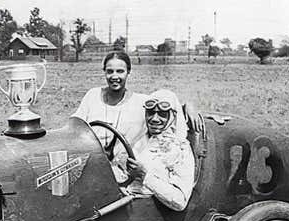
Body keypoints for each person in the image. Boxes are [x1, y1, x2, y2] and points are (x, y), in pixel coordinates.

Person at [71, 51, 203, 183]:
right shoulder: (92, 95)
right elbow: (74, 126)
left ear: (128, 72)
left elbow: (168, 106)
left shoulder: (140, 102)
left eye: (120, 71)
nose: (114, 76)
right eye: (110, 71)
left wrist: (189, 106)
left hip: (119, 171)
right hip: (89, 163)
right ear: (104, 72)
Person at [123, 89, 195, 211]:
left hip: (146, 213)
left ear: (172, 116)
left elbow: (180, 201)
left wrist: (144, 176)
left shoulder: (181, 149)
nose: (155, 119)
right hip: (120, 202)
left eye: (162, 114)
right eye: (151, 112)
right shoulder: (137, 139)